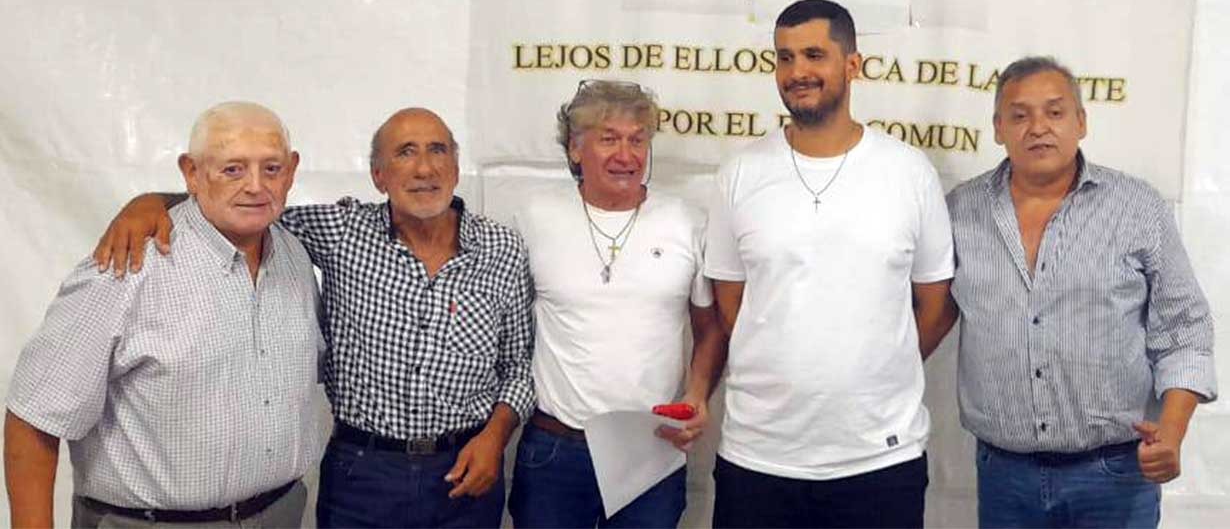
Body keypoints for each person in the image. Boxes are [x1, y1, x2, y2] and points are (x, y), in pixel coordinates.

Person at [90, 107, 534, 529]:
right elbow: (249, 206)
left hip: (468, 466)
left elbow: (519, 366)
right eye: (405, 152)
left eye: (438, 150)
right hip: (363, 473)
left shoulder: (502, 249)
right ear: (378, 176)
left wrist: (494, 439)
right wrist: (150, 202)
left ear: (455, 165)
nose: (424, 168)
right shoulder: (341, 232)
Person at [5, 102, 322, 528]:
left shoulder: (294, 256)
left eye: (271, 168)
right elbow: (34, 418)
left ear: (292, 170)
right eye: (232, 169)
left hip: (280, 514)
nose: (255, 185)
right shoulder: (126, 268)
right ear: (192, 172)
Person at [704, 0, 957, 529]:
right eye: (785, 57)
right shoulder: (740, 175)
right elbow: (731, 308)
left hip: (879, 460)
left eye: (814, 55)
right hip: (759, 457)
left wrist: (876, 367)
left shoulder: (908, 173)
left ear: (852, 64)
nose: (797, 71)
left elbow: (937, 304)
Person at [946, 56, 1217, 528]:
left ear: (1081, 122)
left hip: (1115, 474)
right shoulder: (959, 211)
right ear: (998, 128)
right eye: (1019, 115)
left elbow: (1185, 331)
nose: (1038, 128)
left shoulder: (1136, 206)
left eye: (1055, 112)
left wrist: (1171, 433)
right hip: (1004, 476)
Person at [507, 80, 726, 528]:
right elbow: (504, 328)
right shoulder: (532, 218)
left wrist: (698, 395)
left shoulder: (686, 222)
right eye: (609, 139)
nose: (626, 156)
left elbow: (710, 329)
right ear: (575, 149)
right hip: (554, 448)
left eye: (637, 140)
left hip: (651, 446)